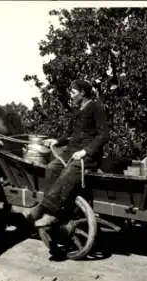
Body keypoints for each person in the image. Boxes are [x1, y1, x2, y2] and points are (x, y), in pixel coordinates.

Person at [28, 79, 109, 227]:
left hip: (88, 156)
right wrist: (57, 142)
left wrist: (85, 151)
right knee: (52, 168)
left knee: (70, 171)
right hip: (71, 152)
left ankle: (51, 213)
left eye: (73, 92)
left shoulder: (97, 107)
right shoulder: (78, 110)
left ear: (82, 93)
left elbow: (103, 135)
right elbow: (71, 135)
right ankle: (45, 207)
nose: (71, 95)